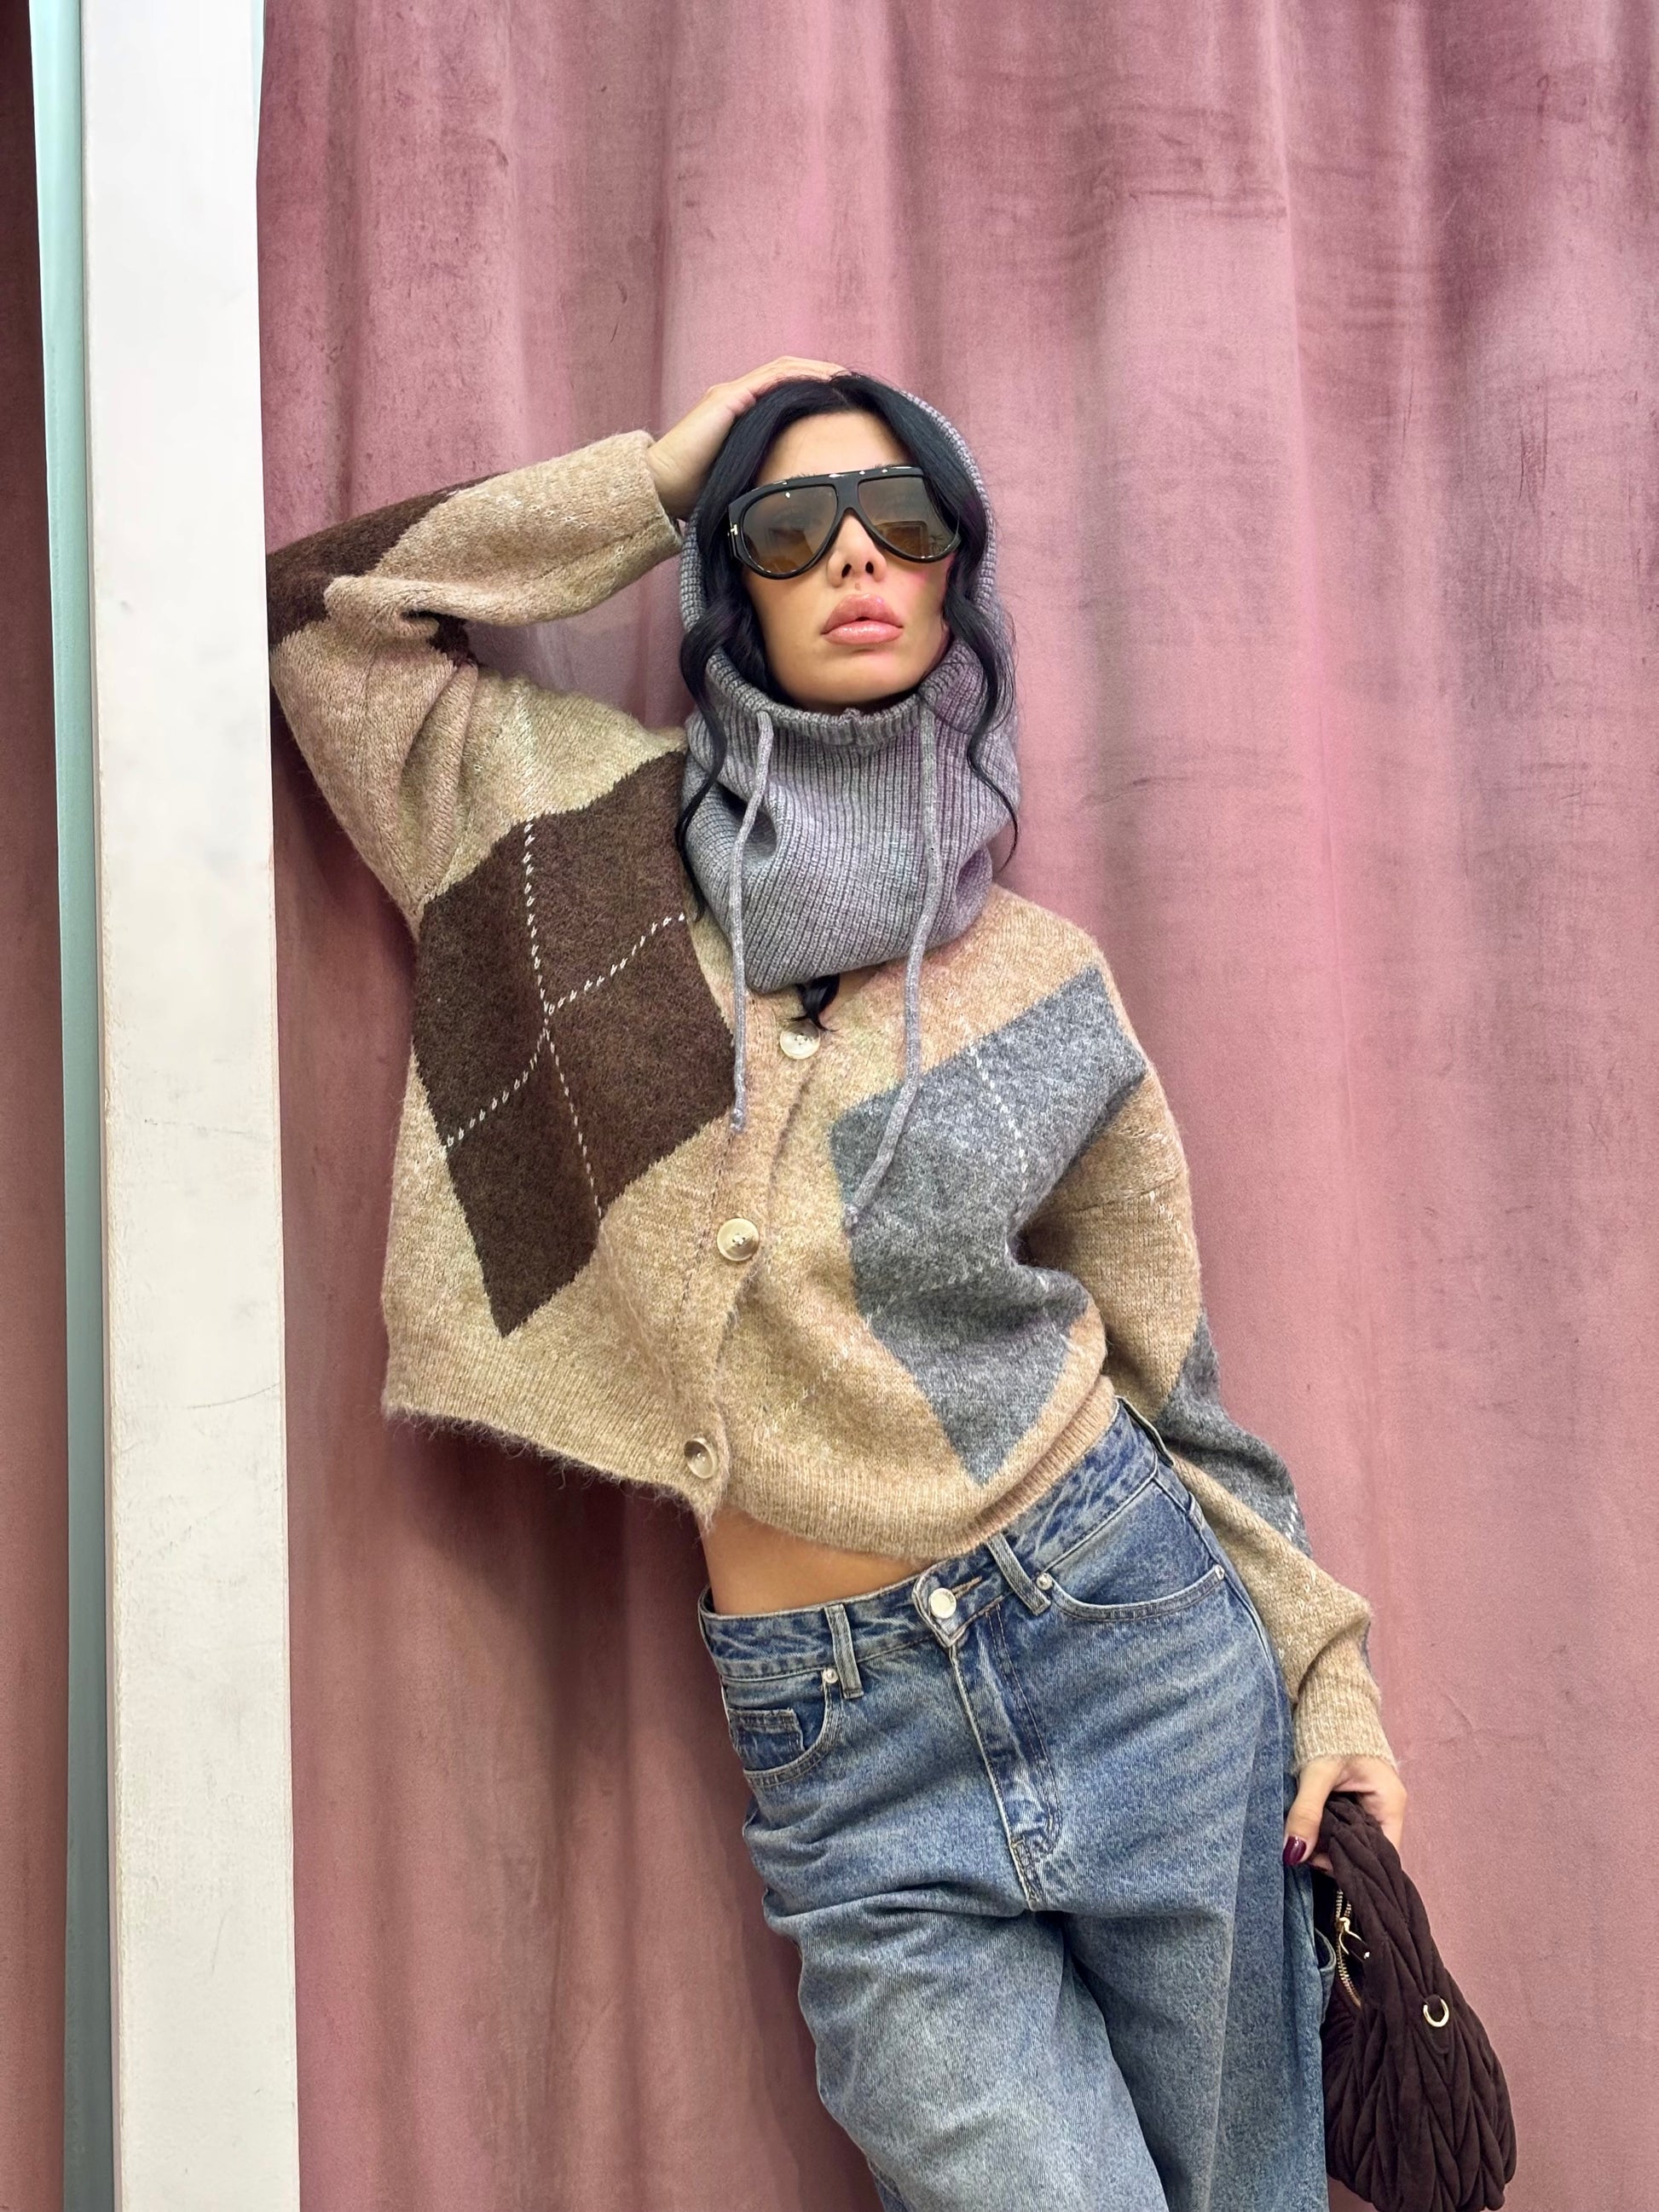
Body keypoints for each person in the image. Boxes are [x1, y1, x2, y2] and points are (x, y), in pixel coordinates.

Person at [267, 356, 1406, 2212]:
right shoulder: (555, 831)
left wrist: (1329, 1679)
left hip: (1131, 1641)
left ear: (959, 575)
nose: (856, 556)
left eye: (905, 520)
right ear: (730, 579)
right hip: (842, 1745)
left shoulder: (1044, 981)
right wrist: (658, 478)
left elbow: (1176, 1388)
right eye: (791, 525)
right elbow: (321, 622)